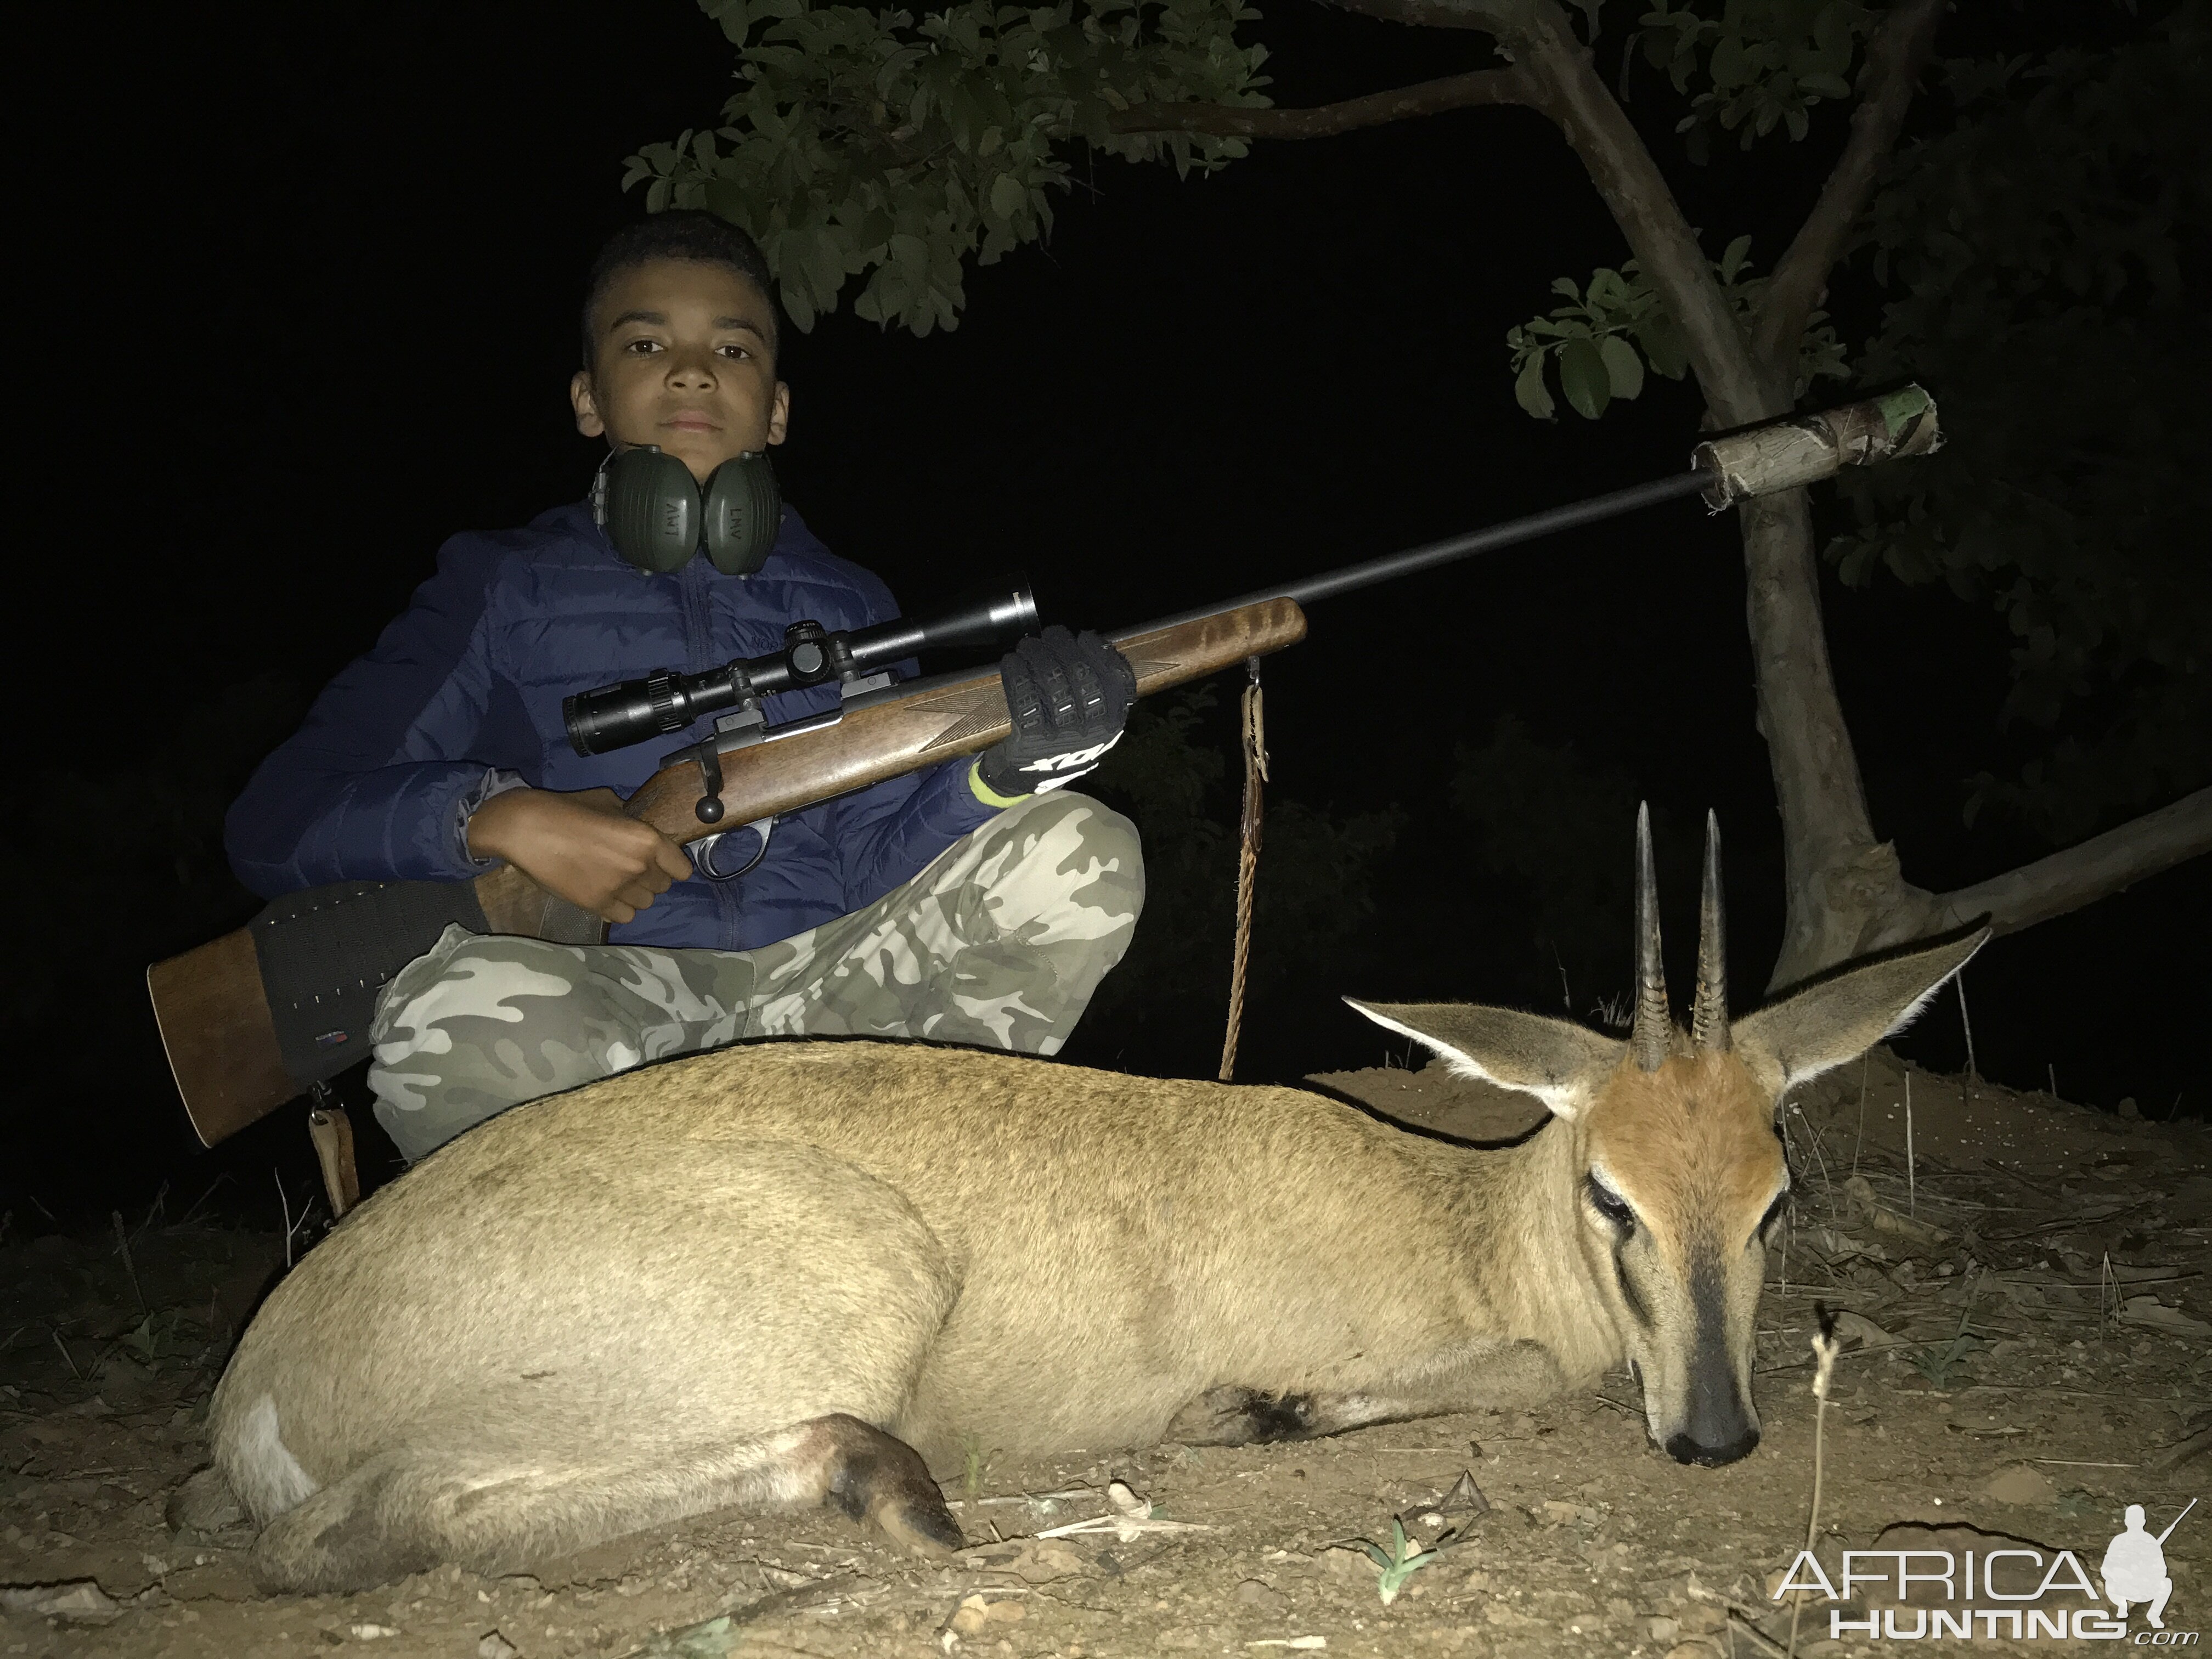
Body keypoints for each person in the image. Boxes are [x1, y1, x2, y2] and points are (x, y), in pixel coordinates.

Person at [225, 212, 1144, 1163]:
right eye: (648, 341)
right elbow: (276, 820)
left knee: (1079, 848)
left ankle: (896, 1178)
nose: (693, 370)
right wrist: (496, 818)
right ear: (588, 397)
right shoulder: (501, 584)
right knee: (456, 1017)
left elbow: (877, 850)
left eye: (732, 347)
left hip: (830, 995)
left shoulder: (850, 599)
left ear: (776, 408)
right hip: (619, 1005)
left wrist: (998, 771)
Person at [2101, 1504, 2176, 1628]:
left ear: (2143, 1522)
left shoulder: (2150, 1541)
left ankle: (2154, 1615)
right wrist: (2123, 1572)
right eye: (2132, 1521)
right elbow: (2106, 1568)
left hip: (2144, 1588)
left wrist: (2146, 1570)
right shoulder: (2119, 1541)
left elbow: (2162, 1570)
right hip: (2123, 1588)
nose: (2134, 1524)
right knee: (2110, 1582)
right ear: (2126, 1522)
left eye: (2137, 1520)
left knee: (2166, 1583)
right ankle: (2122, 1605)